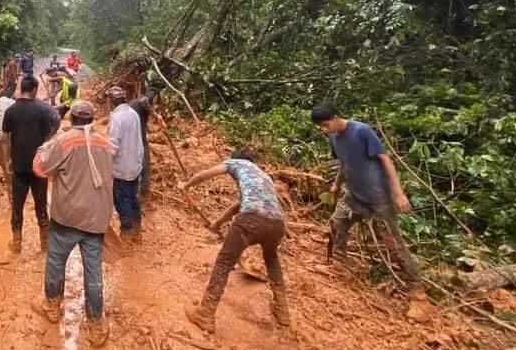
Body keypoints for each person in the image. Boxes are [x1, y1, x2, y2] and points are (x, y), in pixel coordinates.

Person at [311, 105, 434, 323]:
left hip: (379, 199)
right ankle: (340, 263)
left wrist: (398, 193)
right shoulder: (333, 137)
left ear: (336, 117)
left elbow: (386, 161)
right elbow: (343, 163)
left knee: (392, 244)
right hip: (354, 196)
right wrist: (336, 185)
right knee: (337, 223)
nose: (323, 129)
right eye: (321, 127)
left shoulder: (361, 131)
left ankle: (418, 294)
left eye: (325, 124)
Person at [32, 100, 116, 348]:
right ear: (91, 119)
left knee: (56, 262)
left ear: (71, 119)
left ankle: (51, 305)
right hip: (96, 218)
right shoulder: (106, 143)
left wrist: (42, 149)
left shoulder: (64, 140)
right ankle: (95, 323)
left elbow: (40, 169)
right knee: (93, 270)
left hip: (67, 216)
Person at [180, 150, 290, 333]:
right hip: (277, 225)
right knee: (271, 261)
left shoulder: (236, 163)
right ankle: (282, 311)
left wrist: (186, 185)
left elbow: (205, 174)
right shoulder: (264, 177)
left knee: (224, 262)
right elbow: (239, 205)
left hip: (250, 220)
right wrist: (218, 223)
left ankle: (205, 313)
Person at [1, 74, 61, 252]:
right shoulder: (42, 110)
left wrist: (7, 160)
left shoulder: (11, 110)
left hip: (18, 164)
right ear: (34, 89)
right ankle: (45, 243)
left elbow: (5, 138)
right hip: (38, 165)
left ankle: (17, 242)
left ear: (21, 89)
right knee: (41, 203)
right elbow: (51, 133)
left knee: (17, 205)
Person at [106, 86, 144, 242]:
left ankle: (127, 231)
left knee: (121, 199)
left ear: (112, 101)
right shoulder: (132, 113)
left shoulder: (117, 118)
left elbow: (113, 146)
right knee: (132, 196)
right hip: (135, 164)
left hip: (121, 167)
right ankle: (137, 227)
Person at [127, 93, 153, 203]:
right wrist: (156, 115)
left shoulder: (132, 103)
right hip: (139, 139)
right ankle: (144, 193)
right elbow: (144, 101)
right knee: (145, 165)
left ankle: (135, 191)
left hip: (130, 138)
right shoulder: (143, 102)